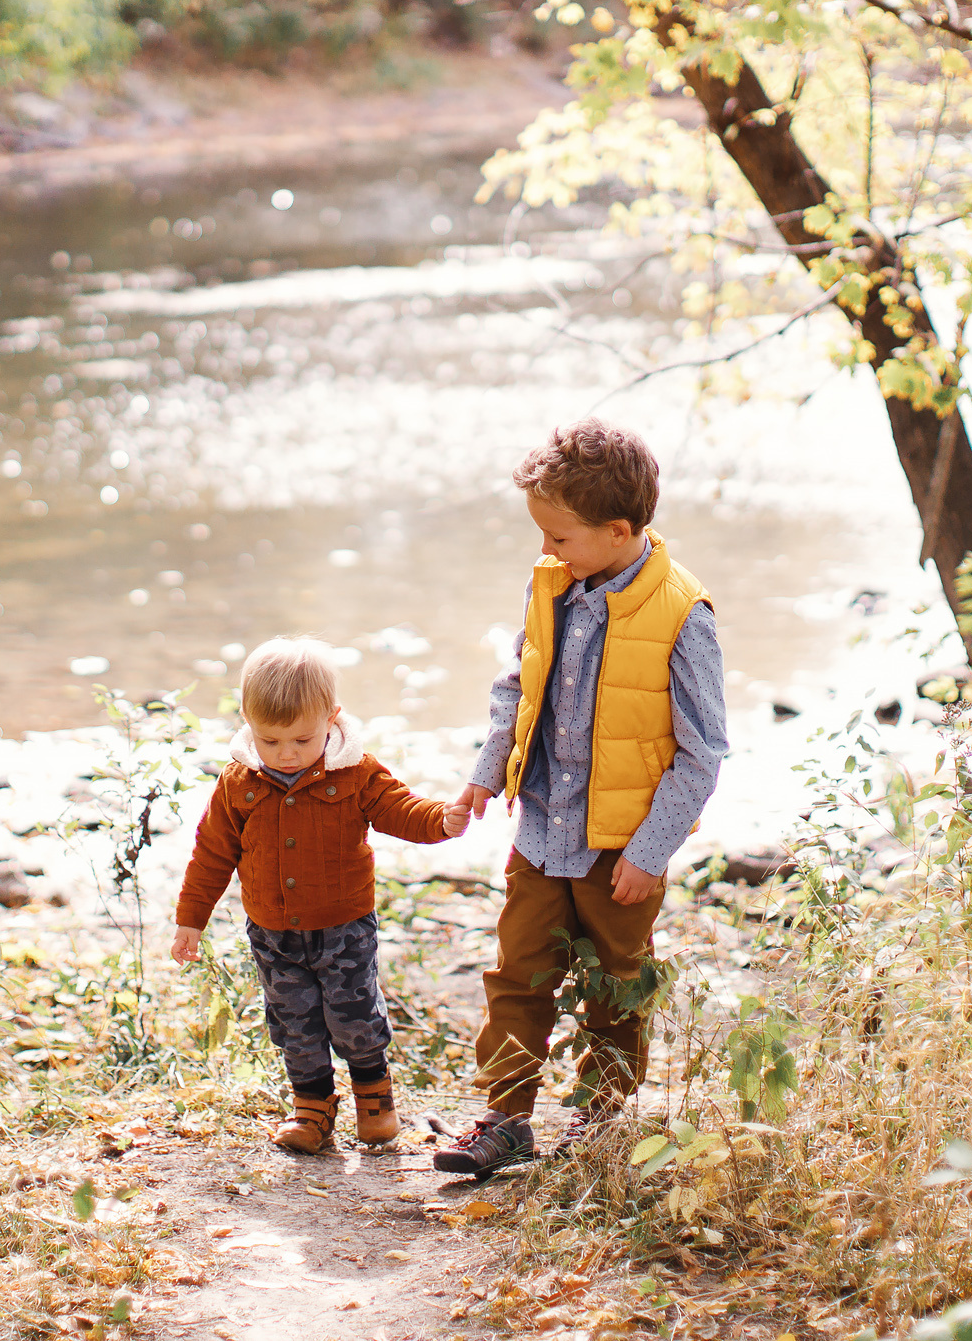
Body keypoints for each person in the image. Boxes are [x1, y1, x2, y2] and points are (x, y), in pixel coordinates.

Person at [433, 419, 728, 1177]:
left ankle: (601, 1117)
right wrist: (484, 771)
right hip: (541, 831)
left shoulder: (683, 615)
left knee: (616, 986)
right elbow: (515, 686)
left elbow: (703, 752)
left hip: (620, 850)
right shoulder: (552, 583)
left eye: (559, 535)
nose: (546, 548)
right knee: (517, 971)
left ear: (619, 529)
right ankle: (506, 1116)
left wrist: (649, 850)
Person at [172, 636, 470, 1153]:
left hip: (344, 926)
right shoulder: (238, 783)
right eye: (270, 742)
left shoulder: (355, 773)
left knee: (353, 1015)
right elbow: (212, 854)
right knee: (294, 1021)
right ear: (246, 721)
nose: (286, 755)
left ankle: (374, 1101)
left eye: (302, 741)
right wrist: (189, 921)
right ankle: (311, 1110)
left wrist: (440, 819)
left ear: (332, 719)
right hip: (272, 931)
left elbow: (400, 809)